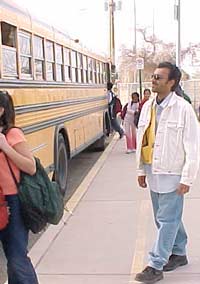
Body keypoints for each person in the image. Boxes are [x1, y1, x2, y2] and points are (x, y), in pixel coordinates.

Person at [135, 62, 200, 283]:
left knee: (167, 218)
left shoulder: (183, 109)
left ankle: (156, 264)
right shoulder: (148, 107)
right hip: (154, 170)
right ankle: (179, 252)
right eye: (153, 76)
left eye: (159, 78)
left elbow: (193, 146)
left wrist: (187, 178)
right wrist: (141, 169)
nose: (153, 80)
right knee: (163, 219)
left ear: (172, 83)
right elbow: (143, 139)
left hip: (173, 173)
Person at [0, 91, 39, 283]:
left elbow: (31, 167)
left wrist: (6, 147)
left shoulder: (12, 134)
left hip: (12, 203)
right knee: (11, 259)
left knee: (16, 257)